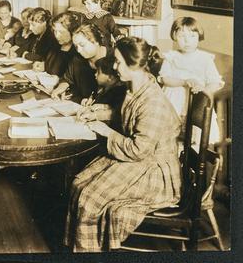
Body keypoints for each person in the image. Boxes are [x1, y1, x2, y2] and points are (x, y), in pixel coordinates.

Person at [64, 37, 182, 252]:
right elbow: (127, 116)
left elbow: (139, 150)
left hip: (152, 170)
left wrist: (106, 130)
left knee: (90, 199)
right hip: (138, 159)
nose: (115, 67)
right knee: (78, 183)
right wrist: (99, 112)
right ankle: (79, 249)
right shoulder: (136, 87)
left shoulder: (153, 102)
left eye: (118, 62)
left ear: (133, 65)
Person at [159, 17, 224, 144]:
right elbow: (164, 78)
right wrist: (183, 82)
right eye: (182, 36)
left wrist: (202, 89)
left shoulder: (205, 59)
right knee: (170, 135)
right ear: (174, 36)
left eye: (192, 36)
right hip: (174, 103)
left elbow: (214, 81)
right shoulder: (171, 57)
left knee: (195, 138)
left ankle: (193, 152)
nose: (187, 41)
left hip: (196, 105)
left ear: (199, 37)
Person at [51, 24, 107, 103]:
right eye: (76, 46)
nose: (79, 50)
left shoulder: (113, 60)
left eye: (82, 45)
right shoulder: (77, 59)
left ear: (97, 41)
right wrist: (61, 88)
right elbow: (67, 78)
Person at [76, 54, 128, 132]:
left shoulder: (119, 92)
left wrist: (97, 112)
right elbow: (95, 99)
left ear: (110, 77)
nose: (95, 74)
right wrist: (89, 100)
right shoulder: (102, 87)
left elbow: (116, 114)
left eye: (98, 72)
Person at [44, 12, 80, 78]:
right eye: (55, 31)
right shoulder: (54, 46)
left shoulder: (78, 52)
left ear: (72, 31)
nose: (57, 35)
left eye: (61, 32)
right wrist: (44, 66)